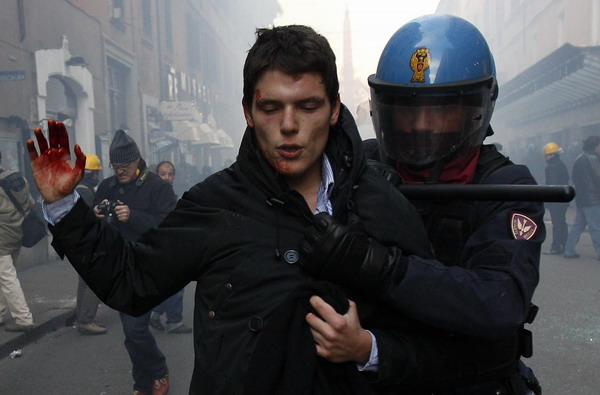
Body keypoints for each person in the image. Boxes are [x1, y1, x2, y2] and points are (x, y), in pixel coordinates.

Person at [27, 25, 440, 394]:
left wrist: (368, 349)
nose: (289, 125)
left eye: (308, 106)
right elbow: (132, 281)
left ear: (334, 109)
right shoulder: (215, 203)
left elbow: (437, 343)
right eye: (271, 107)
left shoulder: (379, 202)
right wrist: (64, 205)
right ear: (248, 112)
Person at [299, 14, 544, 394]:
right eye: (407, 111)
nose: (421, 127)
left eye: (441, 111)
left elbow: (498, 302)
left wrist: (381, 268)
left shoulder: (506, 187)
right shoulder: (355, 166)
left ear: (478, 107)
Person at [93, 131, 175, 394]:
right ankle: (143, 383)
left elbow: (168, 226)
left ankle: (158, 369)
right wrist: (96, 216)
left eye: (124, 167)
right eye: (115, 167)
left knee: (136, 328)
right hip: (118, 268)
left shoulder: (157, 187)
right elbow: (95, 226)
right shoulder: (106, 187)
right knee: (131, 331)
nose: (120, 172)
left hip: (147, 267)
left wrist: (133, 216)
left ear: (137, 160)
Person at [149, 161, 192, 334]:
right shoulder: (155, 194)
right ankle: (173, 320)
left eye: (170, 173)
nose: (167, 177)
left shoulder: (168, 193)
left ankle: (157, 313)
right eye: (163, 173)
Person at [0, 150, 35, 332]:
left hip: (2, 239)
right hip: (17, 233)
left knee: (7, 278)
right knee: (4, 276)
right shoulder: (18, 178)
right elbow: (29, 203)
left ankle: (23, 318)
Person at [74, 154, 108, 335]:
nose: (97, 176)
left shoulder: (74, 189)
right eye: (95, 173)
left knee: (84, 281)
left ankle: (81, 315)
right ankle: (87, 320)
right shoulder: (85, 192)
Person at [563, 135, 600, 259]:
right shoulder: (593, 159)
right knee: (595, 226)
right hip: (593, 198)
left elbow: (574, 178)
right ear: (595, 146)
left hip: (582, 197)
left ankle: (569, 249)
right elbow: (598, 178)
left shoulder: (579, 158)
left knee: (578, 225)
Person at [543, 142, 570, 255]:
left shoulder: (552, 167)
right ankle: (564, 245)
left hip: (556, 200)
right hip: (563, 199)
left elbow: (552, 185)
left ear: (552, 155)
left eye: (547, 155)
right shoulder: (561, 164)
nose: (545, 157)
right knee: (561, 223)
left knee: (557, 224)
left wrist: (548, 200)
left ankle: (556, 246)